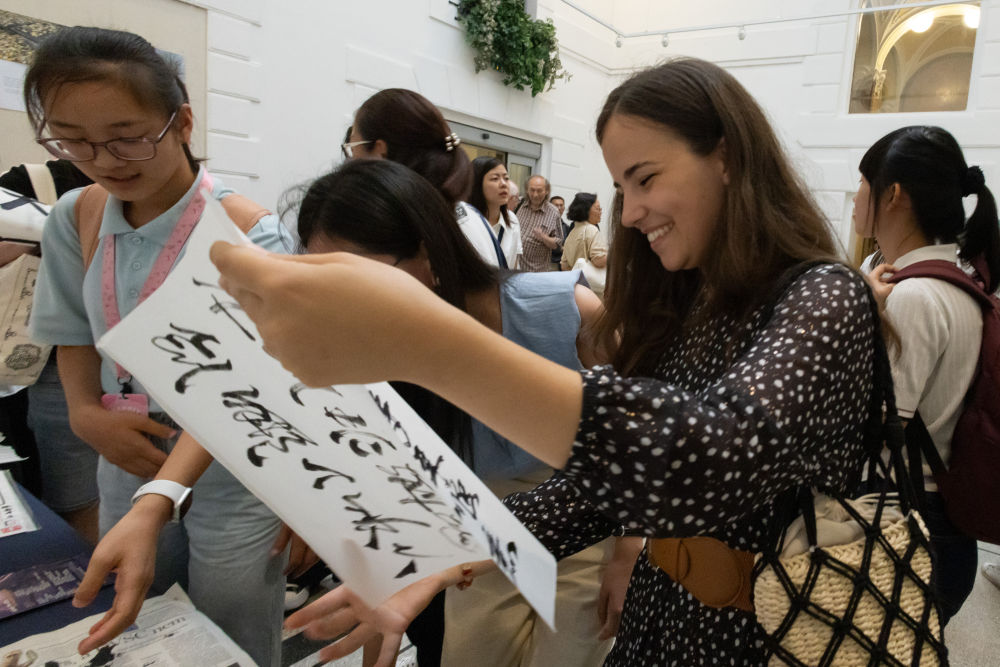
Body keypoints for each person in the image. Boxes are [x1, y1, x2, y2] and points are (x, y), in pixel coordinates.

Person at [212, 57, 882, 666]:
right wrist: (453, 553)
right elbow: (599, 487)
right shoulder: (695, 306)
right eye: (621, 186)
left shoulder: (826, 294)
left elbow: (703, 458)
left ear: (728, 157)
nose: (632, 212)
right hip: (665, 620)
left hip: (769, 633)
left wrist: (429, 342)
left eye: (646, 178)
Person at [294, 158, 636, 667]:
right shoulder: (371, 345)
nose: (347, 301)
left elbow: (643, 437)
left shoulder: (563, 308)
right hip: (475, 530)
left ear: (427, 252)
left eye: (359, 277)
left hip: (586, 515)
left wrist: (629, 552)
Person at [25, 27, 293, 666]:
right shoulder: (78, 215)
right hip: (129, 452)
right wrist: (85, 413)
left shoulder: (250, 235)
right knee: (142, 621)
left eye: (127, 136)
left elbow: (247, 385)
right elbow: (74, 334)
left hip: (234, 466)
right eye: (74, 140)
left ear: (183, 123)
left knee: (234, 628)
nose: (104, 159)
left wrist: (163, 495)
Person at [857, 125, 999, 624]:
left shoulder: (913, 296)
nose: (855, 198)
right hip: (939, 520)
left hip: (908, 522)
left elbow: (876, 425)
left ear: (893, 194)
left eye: (863, 182)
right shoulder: (963, 287)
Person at [0, 160, 97, 542]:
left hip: (140, 360)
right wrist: (43, 245)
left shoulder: (157, 183)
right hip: (52, 365)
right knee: (75, 497)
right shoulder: (31, 182)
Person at [343, 88, 506, 269]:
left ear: (380, 151)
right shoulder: (457, 216)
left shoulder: (401, 234)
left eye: (352, 146)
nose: (350, 159)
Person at [469, 157, 522, 269]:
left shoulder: (512, 219)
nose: (503, 184)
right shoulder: (465, 221)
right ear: (477, 184)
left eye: (506, 178)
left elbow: (514, 264)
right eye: (495, 178)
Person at [517, 175, 563, 271]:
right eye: (532, 190)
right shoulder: (518, 204)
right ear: (527, 190)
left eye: (539, 191)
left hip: (535, 272)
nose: (535, 195)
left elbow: (558, 244)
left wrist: (543, 237)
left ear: (546, 191)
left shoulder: (553, 212)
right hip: (512, 268)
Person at [560, 192, 607, 272]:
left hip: (576, 278)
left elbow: (564, 266)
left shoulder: (572, 233)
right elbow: (598, 260)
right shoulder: (591, 229)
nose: (600, 212)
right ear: (586, 210)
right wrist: (614, 254)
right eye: (598, 208)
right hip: (589, 279)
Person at [549, 194, 569, 267]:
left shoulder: (566, 227)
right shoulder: (543, 224)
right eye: (556, 205)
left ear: (564, 208)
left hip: (560, 265)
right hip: (546, 263)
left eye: (561, 205)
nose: (559, 208)